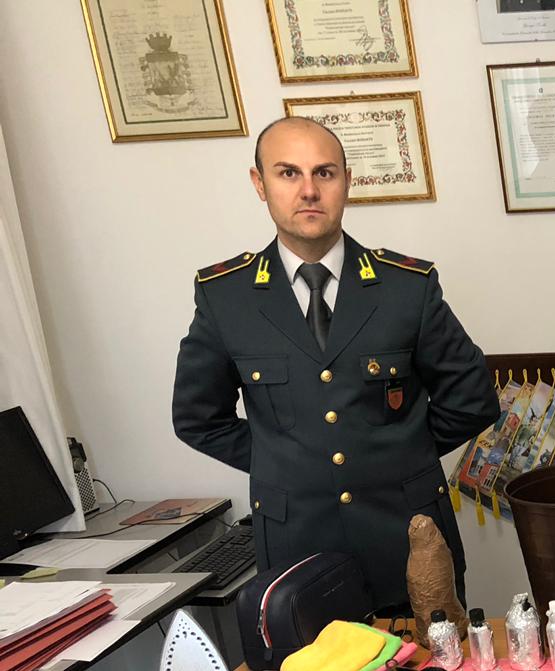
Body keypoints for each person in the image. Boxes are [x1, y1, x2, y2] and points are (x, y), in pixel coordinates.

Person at [173, 117, 497, 609]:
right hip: (296, 546)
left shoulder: (406, 288)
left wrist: (399, 453)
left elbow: (473, 400)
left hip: (408, 536)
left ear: (347, 181)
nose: (309, 190)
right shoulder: (226, 298)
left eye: (324, 173)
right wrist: (282, 459)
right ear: (259, 184)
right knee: (309, 662)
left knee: (432, 657)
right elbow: (197, 418)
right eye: (288, 173)